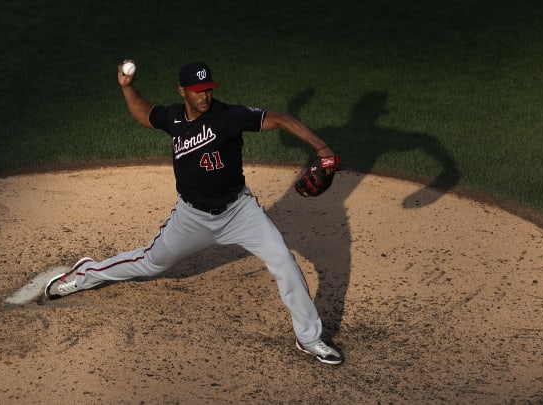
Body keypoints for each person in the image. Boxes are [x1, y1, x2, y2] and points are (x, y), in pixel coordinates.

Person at [44, 61, 343, 365]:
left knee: (282, 259)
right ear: (183, 92)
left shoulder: (228, 116)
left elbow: (277, 118)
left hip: (240, 212)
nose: (205, 96)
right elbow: (144, 114)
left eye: (208, 90)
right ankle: (84, 274)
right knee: (149, 262)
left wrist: (322, 149)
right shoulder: (173, 117)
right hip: (192, 217)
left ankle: (309, 338)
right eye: (198, 91)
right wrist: (127, 87)